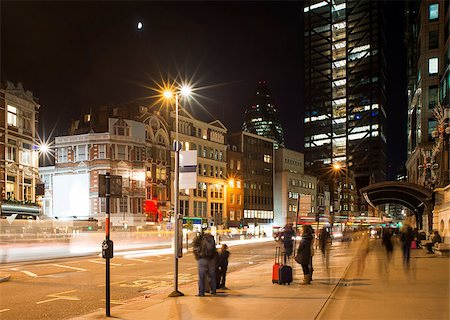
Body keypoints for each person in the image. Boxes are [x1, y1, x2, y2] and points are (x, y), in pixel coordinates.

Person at [193, 231, 217, 296]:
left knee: (201, 277)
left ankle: (201, 292)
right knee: (212, 276)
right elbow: (215, 249)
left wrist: (198, 257)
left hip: (202, 259)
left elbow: (195, 248)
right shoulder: (211, 239)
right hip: (211, 259)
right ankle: (213, 290)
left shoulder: (199, 239)